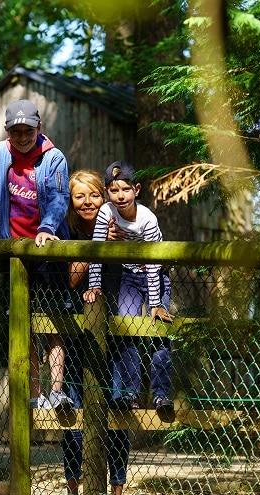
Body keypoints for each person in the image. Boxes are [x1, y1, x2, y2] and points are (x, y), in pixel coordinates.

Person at [0, 99, 73, 411]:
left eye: (27, 130)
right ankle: (34, 393)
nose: (22, 136)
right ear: (7, 131)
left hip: (47, 250)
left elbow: (60, 197)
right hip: (14, 251)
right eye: (16, 131)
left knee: (55, 321)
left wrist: (47, 227)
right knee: (23, 323)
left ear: (38, 128)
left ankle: (56, 390)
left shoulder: (54, 157)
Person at [60, 169, 129, 495]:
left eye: (94, 195)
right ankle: (73, 492)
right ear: (72, 201)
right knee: (72, 411)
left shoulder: (121, 224)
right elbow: (71, 279)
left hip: (117, 328)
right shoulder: (67, 231)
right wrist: (96, 247)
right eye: (80, 196)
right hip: (77, 333)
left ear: (104, 197)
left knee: (118, 409)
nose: (88, 202)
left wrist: (116, 244)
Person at [83, 161, 176, 421]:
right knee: (126, 330)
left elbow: (154, 264)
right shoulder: (105, 212)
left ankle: (160, 394)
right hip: (129, 277)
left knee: (159, 330)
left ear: (136, 189)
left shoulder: (148, 218)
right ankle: (129, 393)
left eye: (125, 189)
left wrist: (156, 303)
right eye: (114, 190)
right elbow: (96, 250)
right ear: (106, 192)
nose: (120, 196)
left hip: (155, 276)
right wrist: (94, 285)